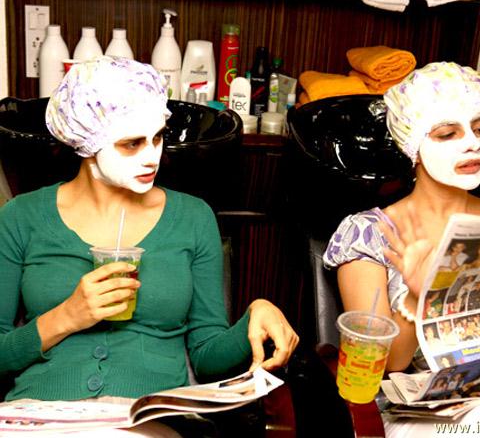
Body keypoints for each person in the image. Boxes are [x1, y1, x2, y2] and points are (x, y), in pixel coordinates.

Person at [0, 57, 298, 418]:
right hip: (37, 416)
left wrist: (255, 315)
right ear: (87, 143)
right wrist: (67, 316)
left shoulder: (192, 218)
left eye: (157, 137)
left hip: (146, 419)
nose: (152, 157)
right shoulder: (20, 217)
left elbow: (207, 358)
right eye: (132, 144)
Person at [323, 62, 480, 372]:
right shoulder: (369, 234)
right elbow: (382, 365)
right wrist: (417, 296)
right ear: (413, 146)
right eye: (448, 134)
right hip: (423, 397)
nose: (473, 144)